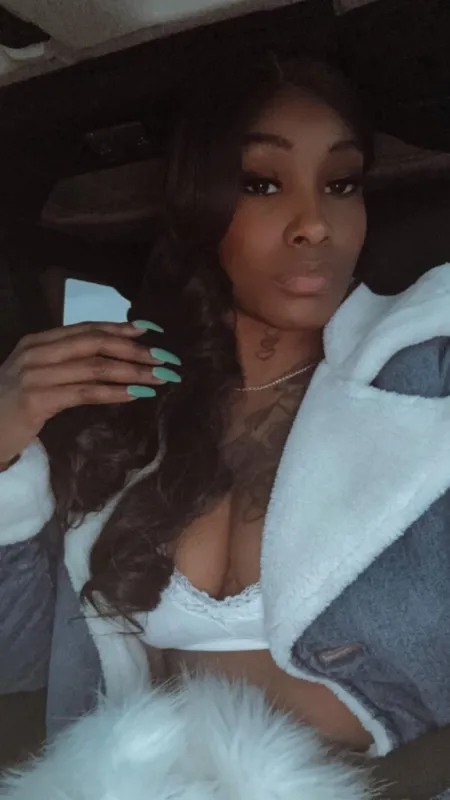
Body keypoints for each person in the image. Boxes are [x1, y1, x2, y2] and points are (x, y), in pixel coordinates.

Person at [1, 50, 450, 796]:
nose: (315, 224)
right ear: (200, 207)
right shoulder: (132, 416)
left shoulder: (427, 368)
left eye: (342, 183)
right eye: (262, 183)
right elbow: (19, 670)